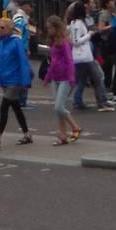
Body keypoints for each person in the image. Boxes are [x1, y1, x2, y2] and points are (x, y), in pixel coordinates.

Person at [0, 18, 32, 149]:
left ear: (9, 29)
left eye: (2, 27)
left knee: (4, 108)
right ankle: (27, 134)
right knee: (16, 108)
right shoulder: (1, 44)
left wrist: (26, 80)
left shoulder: (16, 43)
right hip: (4, 81)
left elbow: (23, 62)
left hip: (15, 81)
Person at [42, 17, 80, 146]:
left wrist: (71, 77)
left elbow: (70, 60)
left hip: (65, 78)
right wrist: (47, 77)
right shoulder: (53, 42)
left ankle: (75, 127)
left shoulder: (64, 43)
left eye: (50, 28)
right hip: (55, 78)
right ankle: (63, 135)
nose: (48, 30)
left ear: (56, 27)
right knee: (59, 109)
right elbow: (52, 63)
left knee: (58, 106)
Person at [67, 2, 111, 113]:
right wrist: (89, 35)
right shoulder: (78, 24)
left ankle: (78, 101)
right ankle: (102, 101)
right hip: (84, 56)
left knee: (82, 80)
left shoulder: (73, 23)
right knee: (98, 77)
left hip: (81, 56)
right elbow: (76, 41)